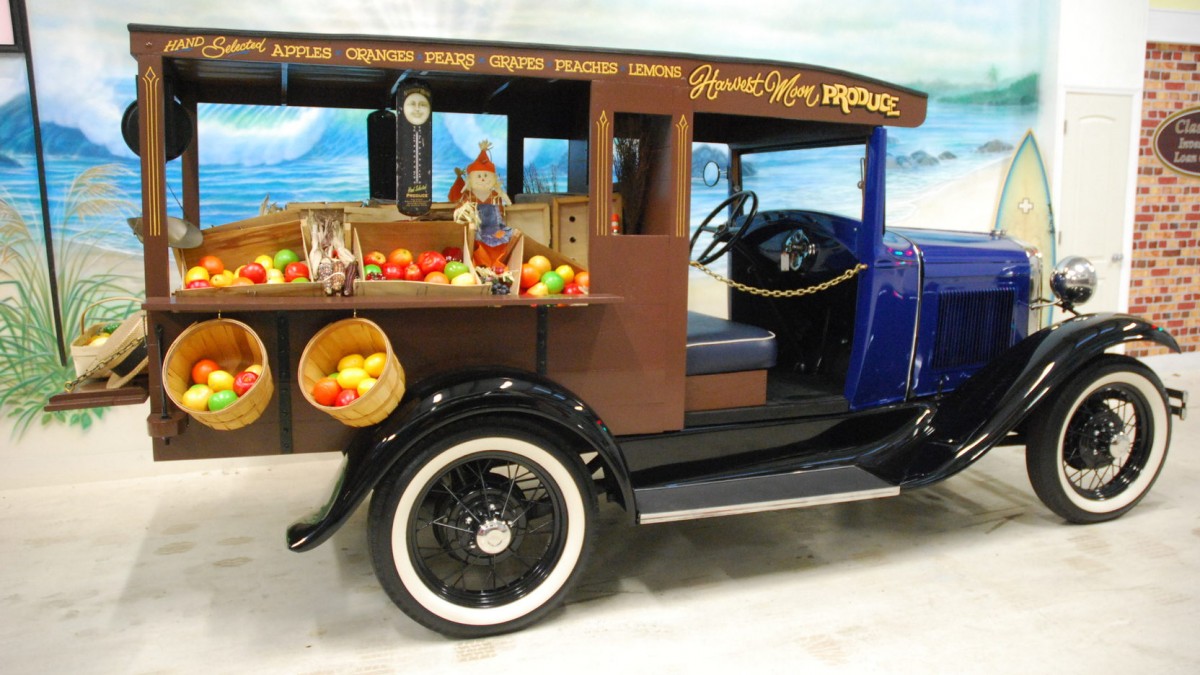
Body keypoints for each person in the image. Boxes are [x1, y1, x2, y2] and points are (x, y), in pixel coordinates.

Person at [449, 140, 515, 266]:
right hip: (475, 231)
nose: (483, 179)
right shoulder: (469, 196)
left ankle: (496, 264)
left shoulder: (495, 196)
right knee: (476, 246)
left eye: (486, 175)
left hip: (494, 229)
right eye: (479, 176)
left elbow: (501, 214)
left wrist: (500, 226)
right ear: (470, 179)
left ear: (493, 178)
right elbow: (460, 213)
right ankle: (479, 265)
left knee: (503, 240)